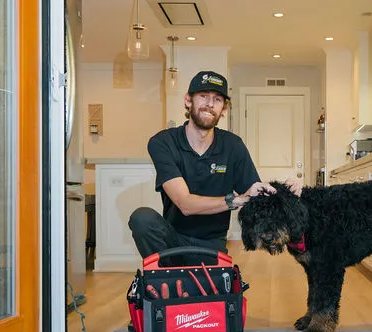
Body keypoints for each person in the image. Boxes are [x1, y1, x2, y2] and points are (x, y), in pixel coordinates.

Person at [129, 70, 301, 264]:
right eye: (203, 96)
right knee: (142, 218)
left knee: (206, 293)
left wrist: (284, 192)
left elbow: (254, 194)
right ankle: (162, 280)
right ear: (188, 100)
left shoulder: (233, 146)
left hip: (211, 245)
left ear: (224, 109)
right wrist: (234, 200)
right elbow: (185, 204)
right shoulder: (163, 142)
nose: (210, 104)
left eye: (217, 99)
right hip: (172, 240)